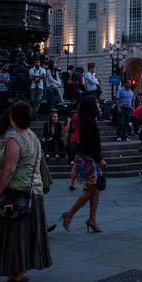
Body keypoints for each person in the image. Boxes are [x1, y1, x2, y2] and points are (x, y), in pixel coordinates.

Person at [0, 101, 52, 282]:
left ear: (12, 118)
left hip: (17, 192)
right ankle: (21, 270)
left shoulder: (14, 141)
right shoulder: (34, 137)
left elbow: (8, 171)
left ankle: (17, 271)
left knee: (14, 234)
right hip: (34, 191)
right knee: (26, 234)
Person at [59, 97, 105, 232]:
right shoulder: (87, 121)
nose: (97, 104)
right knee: (91, 190)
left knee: (96, 190)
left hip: (90, 158)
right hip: (88, 158)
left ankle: (92, 220)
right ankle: (69, 214)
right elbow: (87, 143)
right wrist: (99, 158)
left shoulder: (88, 119)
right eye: (96, 102)